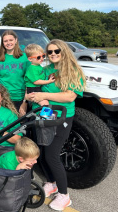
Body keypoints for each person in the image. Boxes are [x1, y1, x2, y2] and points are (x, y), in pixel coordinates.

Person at [26, 39, 86, 211]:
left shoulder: (72, 71)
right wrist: (31, 97)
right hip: (44, 116)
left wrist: (44, 98)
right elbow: (34, 87)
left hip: (62, 118)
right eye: (50, 52)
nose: (53, 54)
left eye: (56, 51)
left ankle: (64, 195)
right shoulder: (46, 70)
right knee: (42, 153)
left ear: (64, 51)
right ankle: (51, 183)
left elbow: (69, 96)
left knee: (52, 155)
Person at [0, 30, 30, 113]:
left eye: (11, 40)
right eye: (5, 41)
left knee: (20, 124)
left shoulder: (24, 58)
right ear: (3, 43)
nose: (8, 43)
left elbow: (29, 81)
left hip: (20, 98)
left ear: (16, 40)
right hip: (3, 98)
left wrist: (25, 102)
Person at [20, 44, 55, 115]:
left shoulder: (38, 66)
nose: (42, 58)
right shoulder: (32, 68)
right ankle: (45, 118)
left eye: (43, 56)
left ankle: (43, 116)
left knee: (44, 104)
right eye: (38, 57)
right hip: (33, 89)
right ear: (30, 59)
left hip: (36, 88)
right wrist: (49, 81)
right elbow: (36, 81)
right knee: (45, 103)